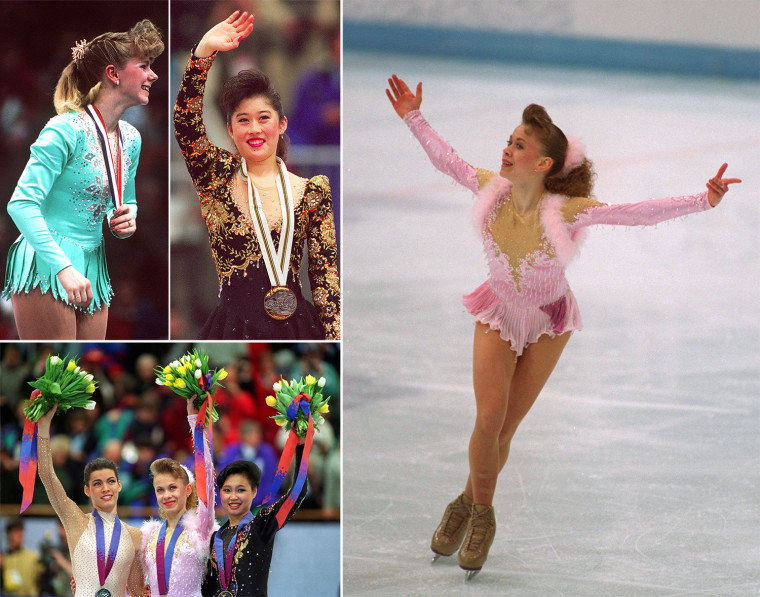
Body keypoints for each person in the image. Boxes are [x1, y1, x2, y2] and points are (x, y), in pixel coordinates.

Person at [385, 74, 741, 577]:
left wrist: (703, 200)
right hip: (500, 310)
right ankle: (482, 515)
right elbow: (446, 158)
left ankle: (467, 500)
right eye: (509, 140)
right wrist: (413, 117)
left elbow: (636, 214)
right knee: (489, 417)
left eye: (519, 145)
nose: (507, 149)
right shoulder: (491, 188)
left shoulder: (569, 212)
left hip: (550, 321)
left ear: (544, 163)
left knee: (506, 427)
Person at [174, 10, 340, 340]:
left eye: (264, 118)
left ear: (281, 125)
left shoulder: (312, 192)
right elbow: (186, 124)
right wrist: (203, 54)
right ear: (230, 131)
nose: (254, 129)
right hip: (232, 330)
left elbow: (326, 283)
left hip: (298, 331)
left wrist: (334, 344)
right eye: (243, 120)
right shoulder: (217, 179)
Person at [3, 20, 164, 340]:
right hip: (47, 261)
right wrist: (63, 267)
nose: (153, 75)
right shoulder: (64, 130)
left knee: (85, 380)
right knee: (57, 382)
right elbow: (20, 203)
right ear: (113, 74)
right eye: (144, 66)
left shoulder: (131, 137)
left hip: (94, 262)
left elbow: (125, 199)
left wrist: (128, 216)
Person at [35, 404, 145, 596]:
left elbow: (136, 592)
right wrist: (43, 428)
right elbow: (47, 475)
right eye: (97, 484)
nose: (105, 488)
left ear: (119, 485)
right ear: (87, 490)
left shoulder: (135, 536)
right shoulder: (75, 521)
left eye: (110, 481)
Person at [201, 450, 307, 597]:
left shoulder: (262, 525)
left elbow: (298, 492)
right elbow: (207, 589)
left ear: (254, 491)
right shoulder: (215, 538)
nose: (233, 497)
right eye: (227, 490)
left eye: (241, 490)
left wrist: (301, 447)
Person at [141, 400, 216, 597]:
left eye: (173, 487)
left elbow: (207, 474)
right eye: (160, 490)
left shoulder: (200, 526)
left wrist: (195, 422)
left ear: (188, 489)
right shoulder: (149, 536)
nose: (166, 495)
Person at [2, 516, 42, 596]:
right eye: (16, 531)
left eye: (22, 530)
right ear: (8, 534)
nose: (20, 534)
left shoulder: (33, 556)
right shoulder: (3, 558)